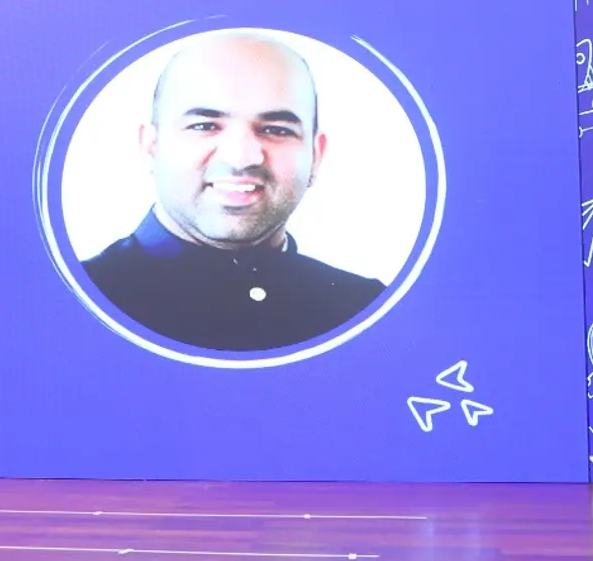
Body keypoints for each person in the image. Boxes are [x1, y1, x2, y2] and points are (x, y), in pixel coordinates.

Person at [82, 32, 385, 351]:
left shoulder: (367, 312)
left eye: (276, 130)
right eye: (204, 126)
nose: (241, 157)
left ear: (315, 156)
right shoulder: (72, 305)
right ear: (151, 147)